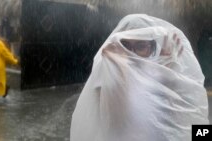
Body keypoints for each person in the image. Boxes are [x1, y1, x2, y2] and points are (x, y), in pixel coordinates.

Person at [70, 14, 209, 141]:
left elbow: (180, 116)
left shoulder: (154, 74)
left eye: (141, 46)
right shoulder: (109, 74)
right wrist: (118, 67)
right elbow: (118, 117)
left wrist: (170, 68)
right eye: (125, 46)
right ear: (116, 46)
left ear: (151, 50)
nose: (132, 54)